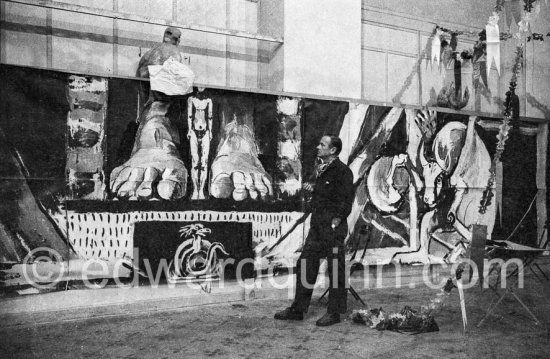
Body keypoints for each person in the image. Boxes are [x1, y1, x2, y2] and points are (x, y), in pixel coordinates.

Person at [274, 135, 354, 326]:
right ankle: (298, 309)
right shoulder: (321, 168)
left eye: (322, 145)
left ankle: (334, 313)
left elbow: (346, 201)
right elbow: (325, 193)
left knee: (335, 269)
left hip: (333, 229)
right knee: (306, 265)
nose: (318, 147)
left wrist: (336, 221)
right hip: (317, 227)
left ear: (333, 150)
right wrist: (314, 188)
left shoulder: (343, 172)